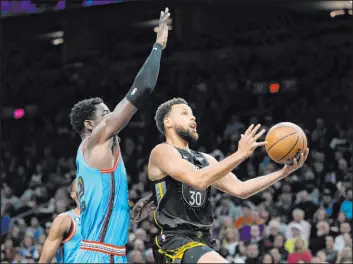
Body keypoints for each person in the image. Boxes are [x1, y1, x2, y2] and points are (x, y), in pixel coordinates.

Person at [147, 98, 309, 263]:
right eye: (184, 113)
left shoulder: (206, 160)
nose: (193, 118)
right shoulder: (162, 151)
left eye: (193, 114)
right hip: (175, 241)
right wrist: (240, 154)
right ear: (168, 122)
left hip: (204, 241)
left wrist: (283, 172)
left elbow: (241, 189)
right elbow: (198, 180)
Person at [69, 8, 170, 263]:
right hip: (101, 255)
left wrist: (127, 211)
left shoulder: (89, 156)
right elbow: (143, 88)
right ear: (90, 125)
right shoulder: (96, 138)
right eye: (106, 113)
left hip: (100, 252)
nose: (112, 116)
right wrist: (158, 45)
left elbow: (101, 202)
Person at [39, 180, 81, 263]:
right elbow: (44, 261)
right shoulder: (65, 219)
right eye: (80, 189)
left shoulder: (103, 220)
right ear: (73, 195)